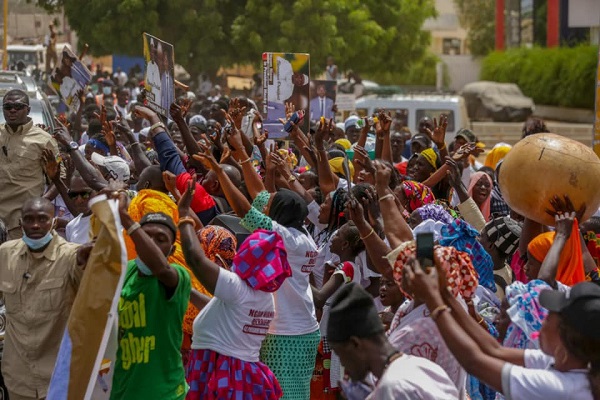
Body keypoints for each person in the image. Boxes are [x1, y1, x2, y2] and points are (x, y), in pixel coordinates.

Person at [406, 255, 600, 400]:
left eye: (549, 317)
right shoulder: (567, 362)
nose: (541, 320)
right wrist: (446, 294)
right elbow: (494, 350)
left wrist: (433, 301)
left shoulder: (561, 388)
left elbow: (474, 361)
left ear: (565, 337)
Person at [179, 182, 287, 399]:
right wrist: (186, 289)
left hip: (220, 372)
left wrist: (183, 215)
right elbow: (218, 309)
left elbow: (194, 258)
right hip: (239, 373)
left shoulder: (236, 287)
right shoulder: (263, 297)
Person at [0, 197, 92, 400]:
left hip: (59, 380)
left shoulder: (71, 256)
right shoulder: (5, 254)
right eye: (29, 219)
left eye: (42, 219)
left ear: (54, 221)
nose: (35, 225)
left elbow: (92, 292)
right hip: (17, 379)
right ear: (20, 223)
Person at [110, 195, 191, 400]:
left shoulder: (177, 276)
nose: (152, 244)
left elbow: (162, 270)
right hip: (122, 389)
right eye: (147, 237)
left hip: (164, 393)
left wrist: (126, 219)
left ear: (172, 250)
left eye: (161, 240)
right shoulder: (124, 272)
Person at [328, 283, 459, 399]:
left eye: (341, 355)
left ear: (355, 344)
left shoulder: (392, 388)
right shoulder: (424, 366)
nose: (343, 364)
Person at [0, 89, 61, 239]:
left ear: (28, 109)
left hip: (22, 224)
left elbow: (60, 178)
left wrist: (41, 203)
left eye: (18, 106)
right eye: (8, 107)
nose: (12, 110)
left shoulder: (44, 140)